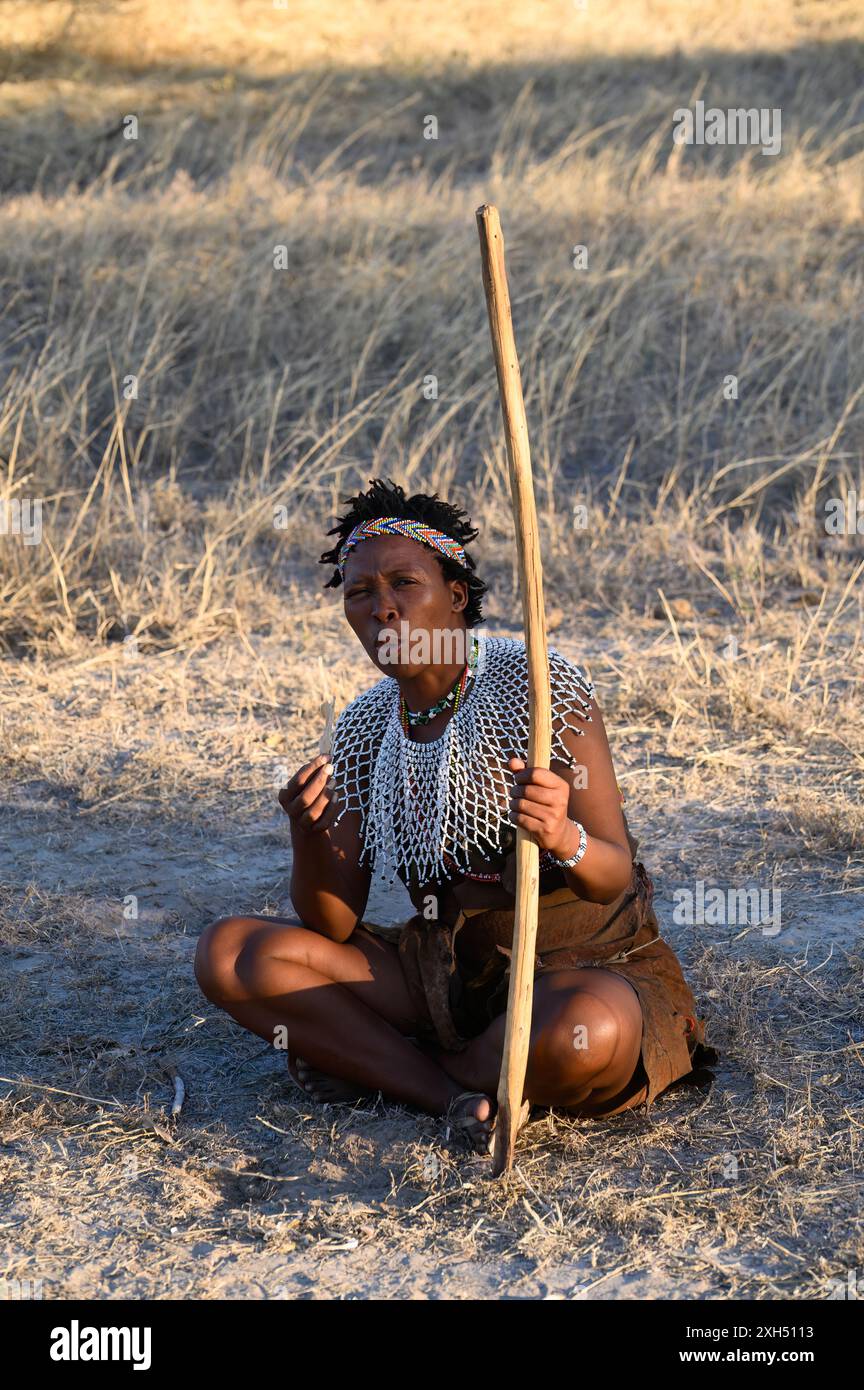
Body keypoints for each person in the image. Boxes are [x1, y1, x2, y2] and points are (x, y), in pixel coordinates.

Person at [194, 477, 717, 1155]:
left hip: (581, 969)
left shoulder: (539, 686)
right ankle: (455, 1096)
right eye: (359, 593)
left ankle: (384, 1068)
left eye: (403, 583)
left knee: (581, 1033)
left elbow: (612, 875)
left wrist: (564, 836)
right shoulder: (363, 730)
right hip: (447, 980)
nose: (381, 608)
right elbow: (332, 923)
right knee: (231, 954)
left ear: (456, 595)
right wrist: (308, 832)